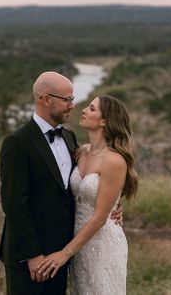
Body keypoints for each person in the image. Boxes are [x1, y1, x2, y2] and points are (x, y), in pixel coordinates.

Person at [0, 72, 123, 294]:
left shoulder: (69, 138)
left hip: (62, 252)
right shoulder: (17, 142)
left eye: (73, 99)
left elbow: (81, 188)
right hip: (28, 256)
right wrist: (32, 255)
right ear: (46, 99)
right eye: (67, 99)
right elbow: (14, 204)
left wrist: (112, 207)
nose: (73, 106)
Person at [37, 94, 137, 295]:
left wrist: (64, 254)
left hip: (103, 244)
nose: (82, 110)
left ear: (104, 121)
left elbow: (100, 217)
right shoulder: (81, 151)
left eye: (91, 108)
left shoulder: (114, 160)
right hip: (79, 243)